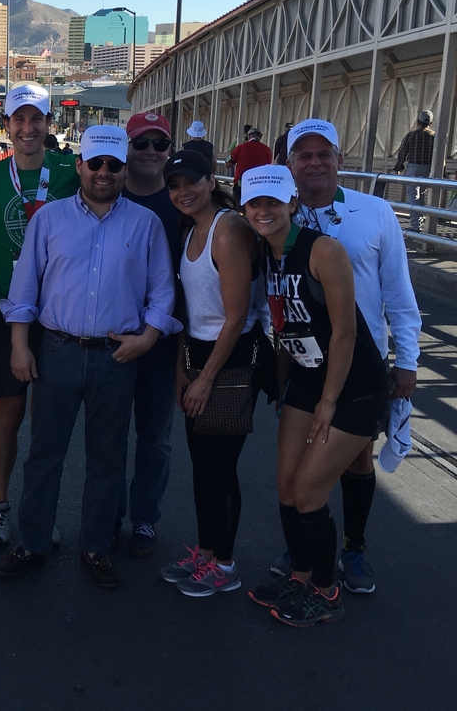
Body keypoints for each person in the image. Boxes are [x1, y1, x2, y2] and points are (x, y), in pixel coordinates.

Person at [0, 125, 177, 587]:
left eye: (114, 165)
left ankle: (96, 545)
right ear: (79, 166)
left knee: (107, 458)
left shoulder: (146, 224)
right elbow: (24, 287)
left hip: (117, 355)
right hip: (58, 350)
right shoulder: (49, 219)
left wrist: (148, 338)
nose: (104, 172)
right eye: (95, 163)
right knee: (43, 454)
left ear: (124, 170)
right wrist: (19, 346)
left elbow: (162, 291)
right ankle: (33, 541)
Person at [241, 165, 388, 627]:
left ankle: (326, 592)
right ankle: (300, 576)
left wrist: (328, 401)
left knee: (308, 492)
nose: (263, 211)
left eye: (273, 202)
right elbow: (285, 324)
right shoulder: (266, 254)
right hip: (306, 377)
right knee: (287, 486)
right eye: (254, 204)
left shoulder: (324, 250)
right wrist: (283, 382)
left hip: (354, 386)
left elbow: (345, 332)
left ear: (292, 203)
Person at [282, 118, 420, 593]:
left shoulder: (375, 212)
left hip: (363, 362)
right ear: (290, 164)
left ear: (340, 160)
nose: (315, 163)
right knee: (299, 463)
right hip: (304, 363)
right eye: (304, 155)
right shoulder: (279, 214)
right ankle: (304, 546)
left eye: (324, 154)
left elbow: (398, 292)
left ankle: (354, 548)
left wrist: (407, 361)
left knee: (358, 458)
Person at [0, 82, 79, 544]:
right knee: (8, 418)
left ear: (49, 124)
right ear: (7, 125)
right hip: (11, 313)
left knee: (48, 425)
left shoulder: (72, 171)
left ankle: (40, 509)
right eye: (19, 119)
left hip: (60, 315)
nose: (28, 128)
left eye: (36, 119)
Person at [158, 150, 264, 597]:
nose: (183, 192)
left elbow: (236, 316)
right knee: (202, 465)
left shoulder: (229, 229)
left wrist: (205, 379)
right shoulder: (189, 228)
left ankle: (225, 564)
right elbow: (191, 309)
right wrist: (184, 368)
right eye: (174, 185)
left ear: (210, 181)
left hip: (233, 358)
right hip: (198, 353)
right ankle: (206, 551)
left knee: (220, 467)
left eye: (191, 181)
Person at [117, 110, 181, 558]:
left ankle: (145, 518)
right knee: (109, 437)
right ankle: (107, 513)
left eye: (160, 144)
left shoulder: (183, 202)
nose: (150, 152)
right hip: (112, 336)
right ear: (127, 147)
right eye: (141, 143)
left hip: (164, 339)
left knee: (155, 437)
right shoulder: (106, 190)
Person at [393, 111, 436, 232]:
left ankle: (415, 225)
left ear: (418, 122)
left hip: (413, 167)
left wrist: (398, 167)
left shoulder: (411, 135)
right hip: (428, 168)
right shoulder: (434, 136)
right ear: (431, 123)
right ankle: (420, 220)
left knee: (413, 196)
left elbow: (402, 153)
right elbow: (439, 155)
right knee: (422, 195)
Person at [228, 127, 272, 201]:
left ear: (248, 136)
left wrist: (229, 157)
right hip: (258, 183)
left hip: (241, 183)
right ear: (260, 137)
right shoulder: (267, 149)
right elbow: (268, 166)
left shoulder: (239, 148)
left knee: (238, 204)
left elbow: (228, 164)